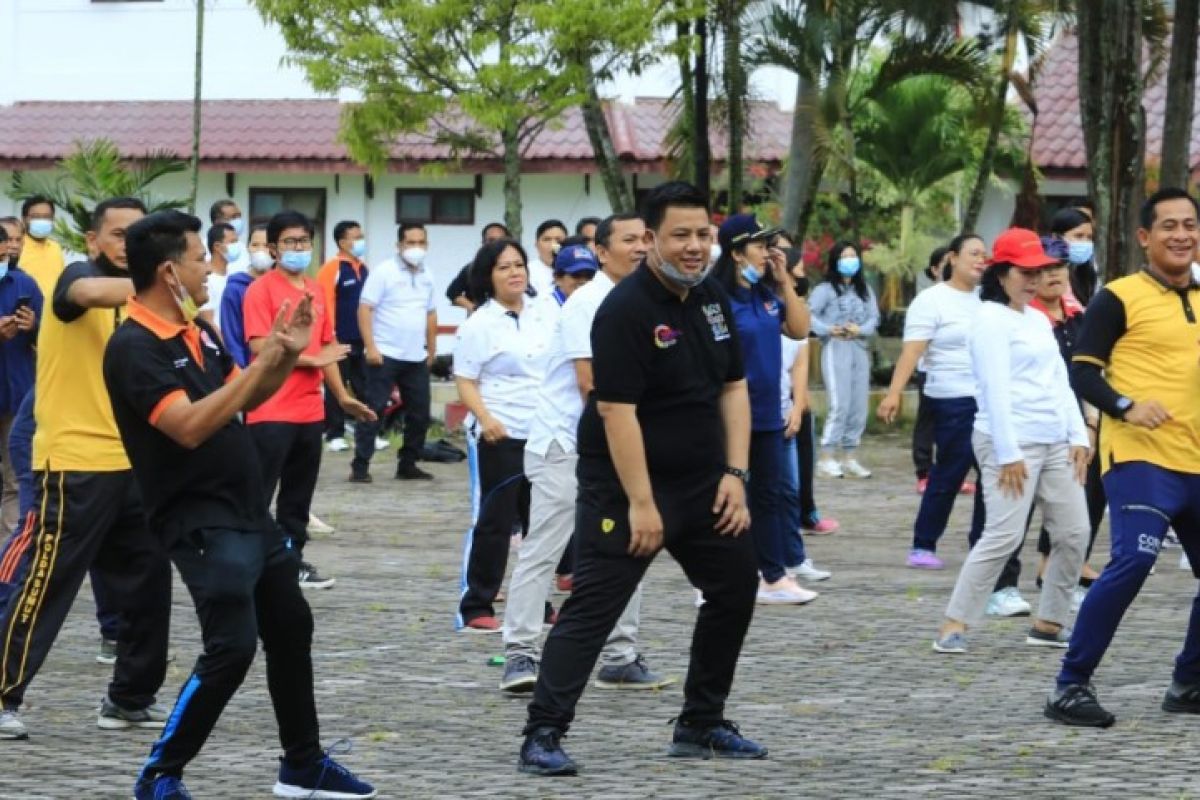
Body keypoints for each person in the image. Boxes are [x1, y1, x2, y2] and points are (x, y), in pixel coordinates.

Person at [104, 209, 376, 800]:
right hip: (202, 523)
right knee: (231, 647)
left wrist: (282, 352)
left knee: (291, 626)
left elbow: (250, 391)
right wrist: (267, 361)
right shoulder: (133, 348)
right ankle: (160, 774)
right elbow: (190, 426)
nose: (211, 268)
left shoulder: (195, 331)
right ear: (170, 271)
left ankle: (302, 765)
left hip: (250, 513)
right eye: (202, 259)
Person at [518, 181, 764, 776]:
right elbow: (614, 410)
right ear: (651, 239)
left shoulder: (711, 300)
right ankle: (542, 733)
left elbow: (733, 389)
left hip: (705, 481)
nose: (694, 246)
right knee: (596, 607)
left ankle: (700, 723)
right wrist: (641, 503)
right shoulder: (624, 310)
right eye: (680, 235)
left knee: (734, 588)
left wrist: (736, 474)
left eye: (703, 234)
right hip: (626, 486)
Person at [0, 198, 171, 742]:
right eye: (118, 235)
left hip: (136, 466)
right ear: (95, 240)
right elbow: (86, 294)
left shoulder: (158, 304)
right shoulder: (78, 277)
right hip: (72, 464)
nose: (128, 243)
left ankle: (129, 699)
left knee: (147, 590)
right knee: (42, 586)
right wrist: (162, 285)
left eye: (139, 235)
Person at [1045, 188, 1200, 727]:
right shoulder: (1119, 296)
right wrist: (1126, 407)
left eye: (1189, 224)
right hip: (1140, 458)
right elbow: (1083, 370)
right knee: (1134, 560)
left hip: (1196, 459)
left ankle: (1188, 682)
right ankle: (1069, 687)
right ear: (1144, 237)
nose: (1181, 235)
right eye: (1168, 226)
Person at [502, 225, 672, 693]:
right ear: (601, 252)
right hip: (565, 443)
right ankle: (519, 652)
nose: (640, 248)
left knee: (630, 547)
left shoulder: (649, 301)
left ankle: (619, 656)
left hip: (619, 444)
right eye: (628, 241)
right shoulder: (587, 302)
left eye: (645, 239)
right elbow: (589, 383)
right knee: (545, 548)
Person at [932, 228, 1089, 655]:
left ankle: (1049, 622)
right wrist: (1008, 453)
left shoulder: (1037, 319)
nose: (1034, 280)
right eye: (1025, 272)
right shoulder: (987, 319)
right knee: (1003, 535)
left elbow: (1061, 381)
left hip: (1055, 440)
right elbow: (993, 389)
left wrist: (1078, 436)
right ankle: (954, 622)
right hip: (1009, 441)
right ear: (1001, 273)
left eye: (1039, 271)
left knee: (1075, 532)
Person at [242, 211, 375, 590]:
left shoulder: (315, 289)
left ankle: (291, 563)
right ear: (273, 248)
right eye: (289, 242)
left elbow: (328, 348)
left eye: (303, 241)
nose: (298, 249)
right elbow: (257, 345)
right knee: (259, 495)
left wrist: (343, 397)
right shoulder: (261, 290)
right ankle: (252, 563)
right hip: (270, 408)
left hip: (308, 411)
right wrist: (310, 358)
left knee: (297, 500)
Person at [713, 214, 819, 605]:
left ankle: (772, 575)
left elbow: (799, 329)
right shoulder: (716, 297)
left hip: (768, 414)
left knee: (770, 495)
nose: (769, 253)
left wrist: (785, 281)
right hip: (729, 417)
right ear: (737, 253)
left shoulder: (766, 295)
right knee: (726, 497)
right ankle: (716, 579)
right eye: (760, 246)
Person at [453, 239, 551, 632]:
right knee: (495, 521)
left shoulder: (545, 313)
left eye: (518, 265)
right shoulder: (480, 323)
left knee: (541, 524)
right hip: (500, 432)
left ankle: (536, 605)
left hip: (543, 431)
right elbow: (465, 380)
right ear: (488, 277)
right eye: (503, 267)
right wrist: (485, 418)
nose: (514, 273)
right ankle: (476, 604)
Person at [877, 235, 991, 573]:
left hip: (989, 397)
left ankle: (983, 544)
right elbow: (912, 351)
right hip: (952, 397)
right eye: (973, 253)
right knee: (952, 470)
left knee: (992, 473)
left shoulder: (988, 300)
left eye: (985, 255)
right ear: (952, 258)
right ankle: (923, 543)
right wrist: (894, 392)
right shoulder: (932, 301)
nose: (980, 260)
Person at [352, 223, 436, 482]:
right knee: (373, 410)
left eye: (421, 242)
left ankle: (408, 463)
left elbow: (430, 313)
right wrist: (371, 347)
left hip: (415, 356)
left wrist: (431, 349)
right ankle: (361, 464)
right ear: (399, 246)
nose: (416, 248)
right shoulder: (384, 272)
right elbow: (365, 309)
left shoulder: (427, 275)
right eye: (410, 243)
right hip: (385, 353)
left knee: (420, 413)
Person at [775, 233, 838, 536]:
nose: (799, 266)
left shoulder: (797, 305)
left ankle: (805, 513)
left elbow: (802, 353)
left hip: (793, 397)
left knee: (799, 466)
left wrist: (800, 400)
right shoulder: (758, 304)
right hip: (769, 398)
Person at [810, 241, 880, 478]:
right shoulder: (825, 290)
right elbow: (808, 316)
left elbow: (873, 319)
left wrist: (859, 330)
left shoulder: (865, 290)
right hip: (835, 347)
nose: (850, 261)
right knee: (840, 403)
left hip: (858, 347)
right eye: (845, 256)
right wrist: (829, 329)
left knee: (859, 405)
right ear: (835, 261)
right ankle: (826, 457)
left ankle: (850, 456)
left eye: (853, 256)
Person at [0, 228, 41, 534]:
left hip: (16, 392)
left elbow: (52, 338)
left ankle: (12, 544)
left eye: (4, 255)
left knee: (16, 475)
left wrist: (33, 326)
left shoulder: (24, 283)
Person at [317, 220, 370, 454]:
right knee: (337, 386)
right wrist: (331, 336)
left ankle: (367, 432)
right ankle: (334, 433)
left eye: (361, 236)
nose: (360, 241)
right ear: (342, 242)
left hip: (362, 338)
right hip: (339, 338)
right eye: (355, 237)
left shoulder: (363, 268)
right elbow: (325, 301)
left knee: (364, 386)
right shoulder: (332, 268)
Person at [912, 246, 948, 489]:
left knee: (953, 426)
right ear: (935, 269)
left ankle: (949, 472)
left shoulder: (972, 297)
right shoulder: (926, 299)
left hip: (959, 377)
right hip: (929, 370)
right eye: (946, 263)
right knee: (927, 422)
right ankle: (924, 471)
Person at [220, 224, 274, 369]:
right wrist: (242, 372)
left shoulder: (282, 286)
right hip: (249, 371)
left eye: (266, 245)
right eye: (255, 245)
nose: (261, 251)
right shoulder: (234, 289)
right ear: (248, 248)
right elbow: (231, 336)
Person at [445, 222, 509, 313]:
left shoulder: (513, 269)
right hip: (478, 322)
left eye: (500, 240)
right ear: (483, 243)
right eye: (491, 240)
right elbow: (452, 293)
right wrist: (474, 308)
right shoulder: (471, 269)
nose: (496, 244)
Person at [1047, 207, 1098, 305]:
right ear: (1056, 237)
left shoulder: (1088, 272)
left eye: (1089, 237)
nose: (1085, 242)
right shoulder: (1047, 273)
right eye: (1078, 236)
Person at [19, 196, 65, 300]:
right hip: (25, 311)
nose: (42, 221)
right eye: (35, 216)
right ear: (23, 219)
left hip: (52, 311)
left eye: (46, 217)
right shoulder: (16, 247)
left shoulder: (55, 248)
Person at [198, 222, 238, 332]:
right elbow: (209, 322)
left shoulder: (232, 276)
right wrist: (225, 348)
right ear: (217, 247)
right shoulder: (206, 279)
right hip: (215, 346)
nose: (237, 246)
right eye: (232, 242)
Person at [529, 220, 567, 299]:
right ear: (536, 244)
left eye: (558, 240)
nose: (553, 245)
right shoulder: (528, 272)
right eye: (547, 239)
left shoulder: (575, 270)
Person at [209, 199, 249, 273]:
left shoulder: (243, 248)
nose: (238, 221)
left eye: (239, 216)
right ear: (217, 221)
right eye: (233, 217)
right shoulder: (203, 249)